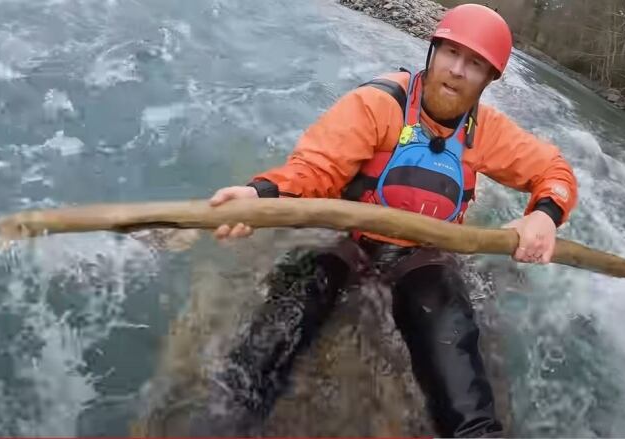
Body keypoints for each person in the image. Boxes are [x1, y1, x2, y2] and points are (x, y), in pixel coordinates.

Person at [199, 3, 578, 437]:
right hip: (347, 239)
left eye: (474, 64)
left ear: (489, 80)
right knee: (269, 344)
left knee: (458, 363)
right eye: (450, 53)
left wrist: (545, 215)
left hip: (420, 254)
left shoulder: (487, 132)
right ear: (431, 52)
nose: (456, 70)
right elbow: (314, 170)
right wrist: (261, 194)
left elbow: (555, 172)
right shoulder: (378, 103)